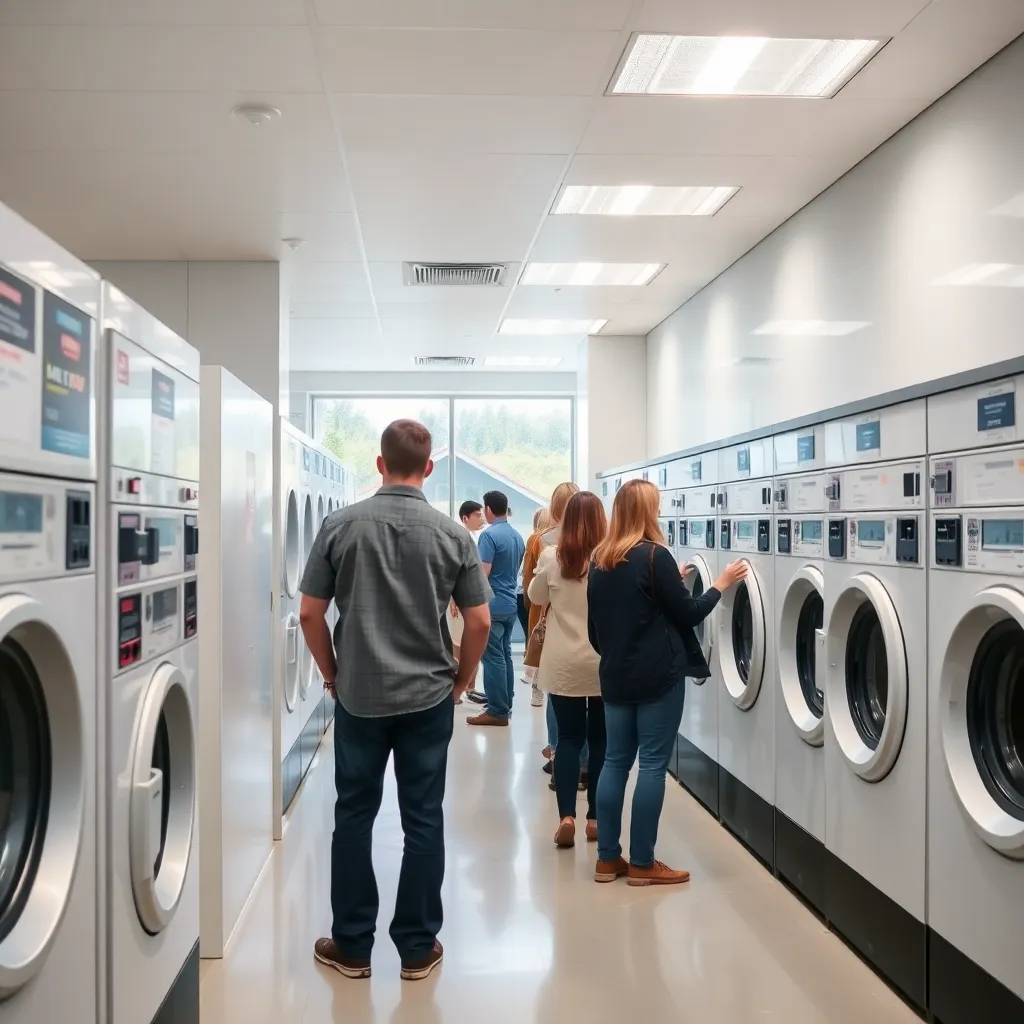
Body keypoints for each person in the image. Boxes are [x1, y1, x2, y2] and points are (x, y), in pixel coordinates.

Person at [299, 419, 491, 981]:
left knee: (353, 816)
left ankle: (353, 945)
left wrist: (332, 675)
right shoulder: (453, 535)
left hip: (359, 695)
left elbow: (309, 613)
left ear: (380, 464)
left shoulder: (339, 525)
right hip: (428, 697)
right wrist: (461, 680)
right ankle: (416, 947)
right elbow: (480, 621)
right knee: (423, 819)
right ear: (428, 468)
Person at [587, 479, 747, 887]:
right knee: (653, 765)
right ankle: (642, 863)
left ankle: (607, 859)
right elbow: (689, 613)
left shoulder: (600, 559)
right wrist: (721, 584)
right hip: (657, 678)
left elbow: (597, 630)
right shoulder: (655, 555)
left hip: (615, 677)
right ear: (648, 511)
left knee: (615, 762)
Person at [528, 491, 607, 848]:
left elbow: (536, 597)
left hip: (563, 664)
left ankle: (566, 817)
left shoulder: (551, 556)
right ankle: (595, 819)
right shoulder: (612, 559)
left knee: (569, 740)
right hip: (603, 662)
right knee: (601, 741)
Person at [468, 490, 526, 727]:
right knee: (504, 654)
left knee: (492, 657)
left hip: (491, 605)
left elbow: (483, 574)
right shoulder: (516, 536)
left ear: (489, 509)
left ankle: (497, 711)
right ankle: (505, 703)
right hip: (510, 604)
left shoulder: (489, 535)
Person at [446, 499, 485, 704]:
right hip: (459, 601)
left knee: (472, 643)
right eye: (477, 515)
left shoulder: (479, 538)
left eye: (481, 514)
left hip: (473, 600)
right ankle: (459, 688)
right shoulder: (459, 538)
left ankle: (470, 686)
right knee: (458, 645)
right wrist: (453, 599)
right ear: (465, 517)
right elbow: (453, 572)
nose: (481, 518)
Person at [517, 507, 552, 704]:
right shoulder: (562, 537)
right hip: (555, 598)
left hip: (538, 599)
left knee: (539, 642)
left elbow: (528, 573)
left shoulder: (535, 539)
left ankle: (537, 690)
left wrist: (527, 601)